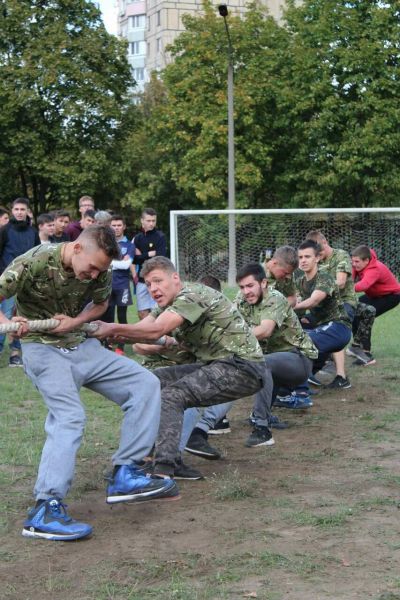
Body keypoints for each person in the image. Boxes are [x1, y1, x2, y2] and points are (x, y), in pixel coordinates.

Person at [0, 225, 178, 541]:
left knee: (145, 384)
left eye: (102, 270)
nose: (96, 275)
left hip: (80, 345)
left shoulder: (99, 270)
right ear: (77, 248)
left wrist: (76, 321)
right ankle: (45, 509)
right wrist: (9, 323)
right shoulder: (35, 260)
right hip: (43, 349)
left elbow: (98, 303)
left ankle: (126, 473)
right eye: (93, 268)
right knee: (70, 417)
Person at [92, 256, 265, 483]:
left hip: (244, 367)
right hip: (215, 365)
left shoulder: (192, 294)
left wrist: (111, 327)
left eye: (158, 281)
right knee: (148, 382)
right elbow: (142, 329)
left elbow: (157, 331)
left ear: (175, 278)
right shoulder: (166, 305)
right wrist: (102, 330)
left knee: (171, 396)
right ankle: (138, 458)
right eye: (148, 284)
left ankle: (163, 469)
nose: (153, 289)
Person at [236, 263, 318, 440]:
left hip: (299, 359)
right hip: (275, 358)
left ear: (263, 283)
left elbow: (265, 330)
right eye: (242, 287)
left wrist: (230, 338)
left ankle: (261, 428)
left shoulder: (274, 298)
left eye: (250, 286)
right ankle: (217, 422)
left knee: (261, 363)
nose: (245, 291)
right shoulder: (243, 299)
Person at [293, 240, 352, 388]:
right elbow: (298, 306)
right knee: (289, 341)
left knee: (301, 344)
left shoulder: (324, 277)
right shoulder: (300, 281)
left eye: (307, 256)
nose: (303, 260)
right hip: (323, 328)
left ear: (317, 258)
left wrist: (290, 307)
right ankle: (299, 383)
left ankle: (299, 392)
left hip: (338, 328)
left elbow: (313, 300)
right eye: (300, 257)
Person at [0, 198, 40, 367]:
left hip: (28, 282)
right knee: (6, 316)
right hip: (7, 281)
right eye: (16, 209)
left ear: (27, 211)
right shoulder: (4, 231)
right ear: (12, 211)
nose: (19, 212)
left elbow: (38, 255)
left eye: (22, 209)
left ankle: (16, 353)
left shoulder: (33, 232)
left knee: (23, 316)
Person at [349, 245, 400, 360]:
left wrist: (343, 288)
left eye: (357, 261)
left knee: (365, 314)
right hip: (374, 295)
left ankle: (366, 352)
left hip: (391, 296)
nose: (354, 264)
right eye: (352, 261)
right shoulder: (358, 263)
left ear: (366, 260)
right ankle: (357, 347)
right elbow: (350, 279)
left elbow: (363, 285)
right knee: (352, 309)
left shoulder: (375, 269)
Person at [104, 215, 136, 355]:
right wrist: (118, 263)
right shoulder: (106, 244)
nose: (116, 228)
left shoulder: (129, 245)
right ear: (110, 227)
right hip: (107, 286)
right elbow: (103, 263)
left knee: (122, 317)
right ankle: (107, 345)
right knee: (107, 317)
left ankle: (120, 347)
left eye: (119, 225)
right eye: (114, 225)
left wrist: (111, 263)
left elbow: (126, 265)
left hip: (122, 286)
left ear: (124, 227)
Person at [134, 208, 167, 320]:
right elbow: (134, 260)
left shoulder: (160, 236)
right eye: (148, 220)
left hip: (157, 281)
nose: (151, 223)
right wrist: (149, 253)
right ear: (142, 221)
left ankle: (162, 337)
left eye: (153, 221)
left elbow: (160, 256)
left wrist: (142, 255)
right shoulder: (137, 238)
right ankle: (147, 337)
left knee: (157, 314)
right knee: (142, 314)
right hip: (142, 281)